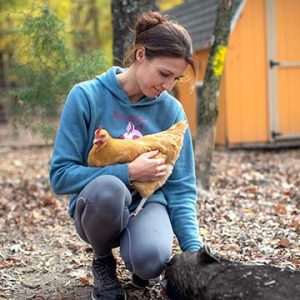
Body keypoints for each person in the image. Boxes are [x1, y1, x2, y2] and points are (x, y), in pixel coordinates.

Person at [50, 10, 203, 300]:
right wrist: (128, 173)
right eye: (164, 74)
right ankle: (103, 260)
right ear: (141, 55)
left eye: (176, 78)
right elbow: (60, 177)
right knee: (110, 189)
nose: (168, 86)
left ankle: (140, 260)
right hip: (97, 207)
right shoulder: (86, 97)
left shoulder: (170, 110)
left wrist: (194, 253)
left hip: (148, 204)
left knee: (151, 259)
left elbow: (181, 188)